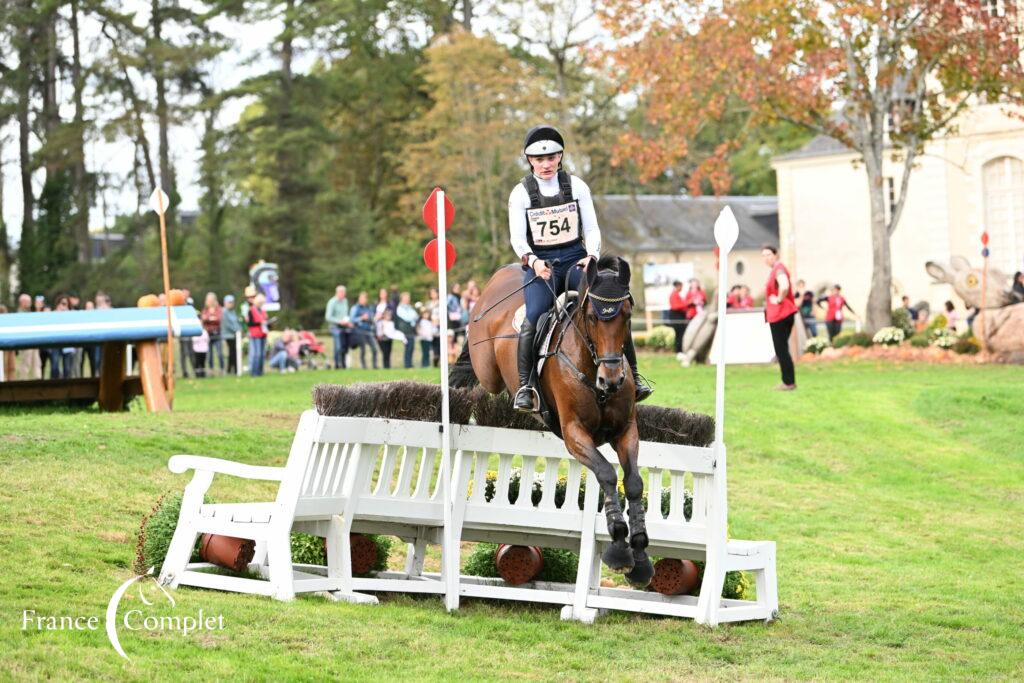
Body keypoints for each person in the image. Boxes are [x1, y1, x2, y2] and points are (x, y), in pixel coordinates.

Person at [508, 124, 652, 411]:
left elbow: (592, 228)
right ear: (530, 161)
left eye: (551, 158)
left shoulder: (577, 186)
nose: (546, 165)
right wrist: (534, 261)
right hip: (542, 266)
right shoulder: (521, 193)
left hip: (576, 260)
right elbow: (517, 237)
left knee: (610, 306)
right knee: (534, 316)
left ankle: (634, 375)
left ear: (560, 157)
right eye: (539, 160)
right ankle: (526, 386)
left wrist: (592, 255)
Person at [762, 245, 797, 390]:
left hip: (780, 314)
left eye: (768, 254)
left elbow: (784, 285)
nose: (766, 258)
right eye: (763, 255)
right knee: (782, 349)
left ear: (776, 255)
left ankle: (788, 382)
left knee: (781, 349)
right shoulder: (776, 269)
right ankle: (788, 381)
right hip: (782, 314)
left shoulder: (779, 269)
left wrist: (778, 299)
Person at [14, 293, 41, 380]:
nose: (30, 303)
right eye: (28, 301)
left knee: (36, 362)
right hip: (25, 341)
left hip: (34, 340)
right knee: (26, 363)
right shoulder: (19, 314)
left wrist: (38, 309)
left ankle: (37, 380)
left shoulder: (29, 313)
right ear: (22, 302)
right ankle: (23, 380)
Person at [349, 291, 379, 369]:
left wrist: (372, 318)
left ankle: (375, 366)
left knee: (375, 349)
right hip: (359, 331)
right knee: (363, 350)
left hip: (369, 331)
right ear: (359, 298)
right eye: (362, 298)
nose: (364, 300)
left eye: (365, 298)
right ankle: (364, 366)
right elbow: (352, 319)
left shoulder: (369, 308)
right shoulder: (355, 308)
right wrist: (361, 318)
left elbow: (372, 318)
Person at [325, 285, 352, 369]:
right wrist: (339, 321)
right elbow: (328, 317)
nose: (344, 294)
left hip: (344, 326)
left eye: (344, 293)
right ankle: (337, 364)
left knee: (344, 346)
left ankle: (343, 365)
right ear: (338, 292)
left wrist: (347, 322)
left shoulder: (345, 301)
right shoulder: (332, 302)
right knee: (338, 346)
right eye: (342, 292)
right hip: (335, 327)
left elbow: (346, 314)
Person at [201, 292, 224, 375]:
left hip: (217, 333)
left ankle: (222, 369)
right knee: (209, 354)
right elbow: (203, 318)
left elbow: (218, 319)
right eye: (208, 300)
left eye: (211, 300)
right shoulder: (205, 310)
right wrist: (211, 318)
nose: (210, 302)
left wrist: (209, 319)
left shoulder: (219, 309)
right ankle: (211, 370)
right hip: (208, 334)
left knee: (220, 353)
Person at [395, 292, 419, 369]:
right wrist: (412, 317)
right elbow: (408, 318)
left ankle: (410, 364)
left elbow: (416, 316)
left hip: (411, 330)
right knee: (408, 347)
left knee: (411, 347)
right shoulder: (400, 308)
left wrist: (413, 317)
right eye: (406, 298)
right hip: (405, 330)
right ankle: (407, 364)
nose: (408, 299)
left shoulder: (409, 307)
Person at [247, 293, 268, 376]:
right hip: (255, 334)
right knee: (257, 354)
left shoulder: (262, 311)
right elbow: (250, 323)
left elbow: (265, 320)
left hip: (263, 334)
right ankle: (254, 372)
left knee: (262, 354)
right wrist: (260, 323)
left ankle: (260, 372)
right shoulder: (251, 310)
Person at [221, 294, 242, 374]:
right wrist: (236, 330)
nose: (231, 304)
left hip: (236, 335)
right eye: (229, 302)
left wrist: (239, 329)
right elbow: (227, 324)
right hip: (229, 335)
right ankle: (230, 369)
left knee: (234, 352)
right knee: (232, 352)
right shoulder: (224, 312)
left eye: (232, 302)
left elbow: (236, 322)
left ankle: (234, 369)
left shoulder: (233, 311)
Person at [375, 289, 396, 369]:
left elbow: (392, 314)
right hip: (379, 329)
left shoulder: (390, 304)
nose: (383, 294)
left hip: (388, 328)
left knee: (388, 349)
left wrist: (383, 316)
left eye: (384, 293)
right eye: (381, 293)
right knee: (383, 349)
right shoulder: (376, 304)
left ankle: (387, 366)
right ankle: (385, 366)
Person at [667, 280, 688, 356]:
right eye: (681, 286)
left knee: (680, 333)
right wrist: (687, 304)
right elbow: (675, 306)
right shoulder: (674, 295)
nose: (682, 288)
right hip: (676, 316)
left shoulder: (676, 294)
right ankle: (679, 351)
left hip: (678, 315)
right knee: (680, 333)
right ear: (678, 286)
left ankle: (679, 350)